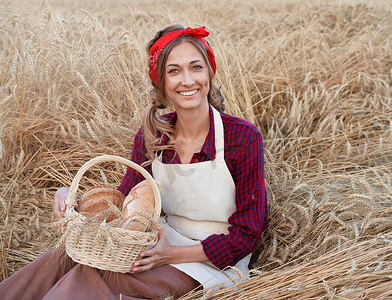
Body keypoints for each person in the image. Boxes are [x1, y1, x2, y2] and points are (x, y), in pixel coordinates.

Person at [0, 24, 267, 299]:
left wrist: (170, 255)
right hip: (159, 241)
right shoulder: (154, 134)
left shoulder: (242, 137)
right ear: (160, 82)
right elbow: (124, 198)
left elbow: (248, 234)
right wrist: (73, 199)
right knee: (64, 257)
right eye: (174, 71)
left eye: (196, 67)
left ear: (210, 73)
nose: (187, 80)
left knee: (92, 272)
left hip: (211, 262)